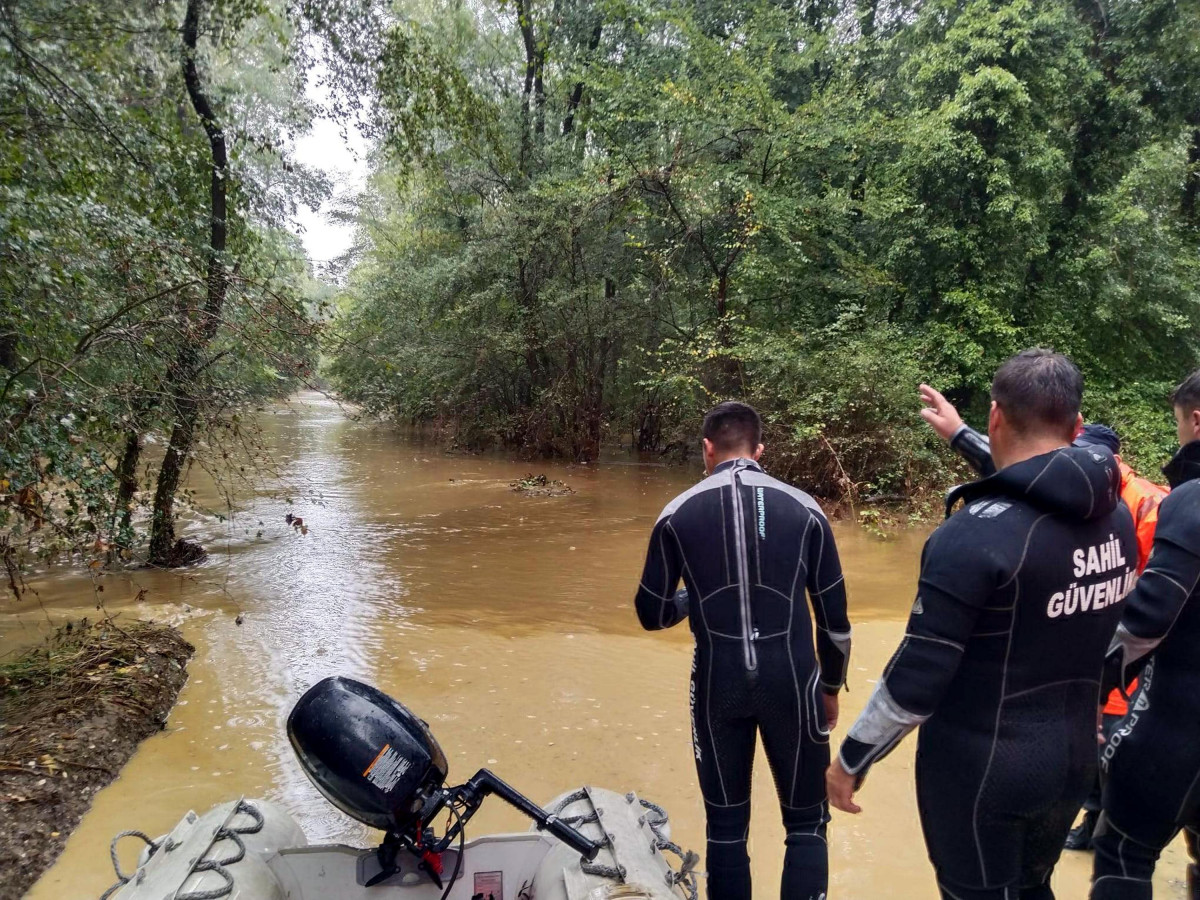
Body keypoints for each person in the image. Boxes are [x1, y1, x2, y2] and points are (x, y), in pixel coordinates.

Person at [826, 349, 1137, 900]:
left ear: (997, 416)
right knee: (1033, 888)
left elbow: (915, 683)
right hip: (1072, 761)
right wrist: (960, 435)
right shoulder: (1113, 516)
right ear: (1078, 425)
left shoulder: (968, 538)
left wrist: (851, 759)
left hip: (982, 769)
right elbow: (1040, 493)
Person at [918, 385, 1168, 850]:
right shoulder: (1096, 489)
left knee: (1112, 747)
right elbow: (1019, 477)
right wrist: (957, 432)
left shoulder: (1140, 505)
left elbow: (1158, 603)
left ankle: (1104, 829)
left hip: (1120, 654)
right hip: (1090, 657)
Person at [635, 400, 851, 900]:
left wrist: (700, 594)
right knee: (806, 825)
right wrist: (832, 687)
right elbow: (835, 624)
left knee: (726, 830)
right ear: (760, 451)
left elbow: (653, 612)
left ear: (707, 449)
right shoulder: (806, 509)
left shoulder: (675, 514)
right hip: (794, 684)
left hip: (717, 687)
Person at [1092, 369, 1200, 899]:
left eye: (1179, 422)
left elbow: (1148, 617)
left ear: (1196, 420)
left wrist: (1087, 689)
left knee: (1123, 852)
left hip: (1178, 717)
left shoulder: (1190, 498)